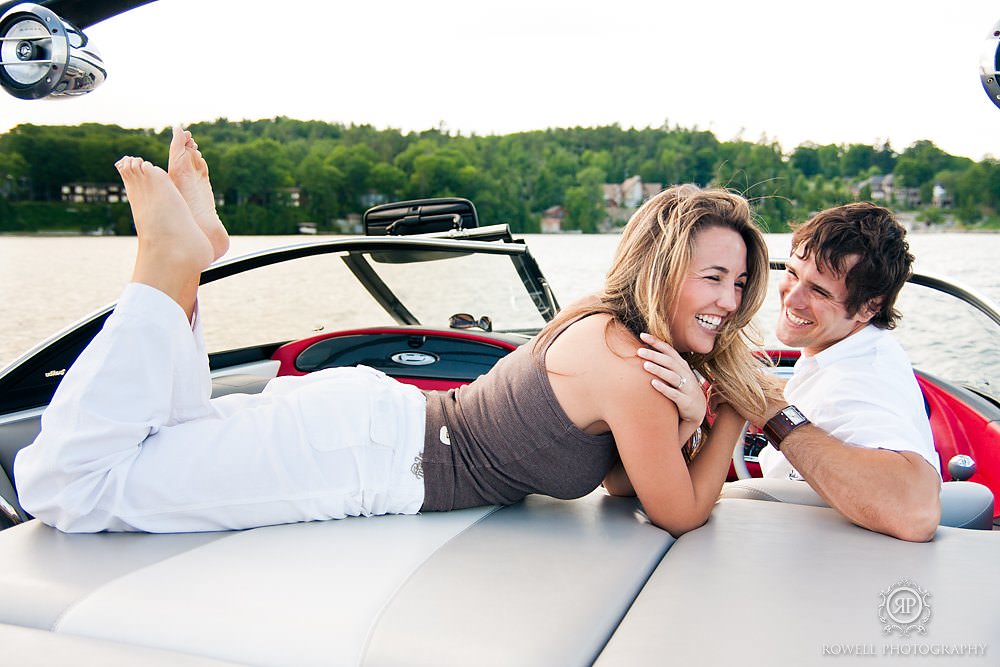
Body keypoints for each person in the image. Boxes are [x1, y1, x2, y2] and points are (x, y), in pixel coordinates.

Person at [13, 128, 772, 537]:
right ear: (661, 267)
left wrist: (680, 420)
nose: (730, 300)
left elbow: (618, 484)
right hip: (368, 456)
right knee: (70, 487)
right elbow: (677, 513)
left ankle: (191, 266)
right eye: (713, 277)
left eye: (739, 283)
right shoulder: (630, 362)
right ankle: (163, 269)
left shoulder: (612, 333)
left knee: (176, 428)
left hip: (375, 427)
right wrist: (735, 407)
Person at [641, 203, 942, 542]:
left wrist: (773, 412)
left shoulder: (861, 380)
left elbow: (915, 512)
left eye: (820, 291)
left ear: (870, 306)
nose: (792, 298)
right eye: (793, 272)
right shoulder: (850, 352)